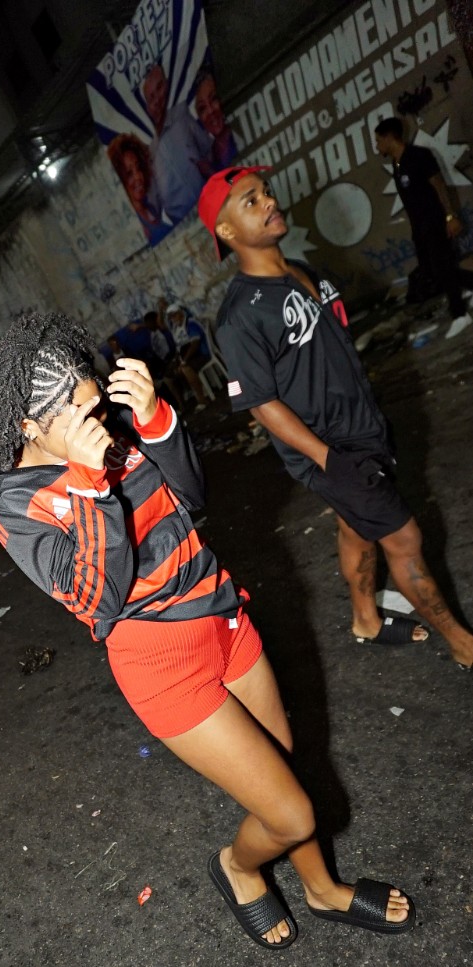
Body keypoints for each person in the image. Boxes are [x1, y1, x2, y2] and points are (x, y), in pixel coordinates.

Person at [0, 311, 414, 950]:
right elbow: (96, 596)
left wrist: (155, 420)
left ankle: (322, 889)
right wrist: (91, 485)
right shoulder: (11, 498)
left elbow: (192, 498)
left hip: (222, 615)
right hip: (163, 665)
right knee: (292, 814)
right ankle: (239, 867)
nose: (97, 423)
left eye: (98, 405)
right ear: (29, 426)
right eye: (79, 414)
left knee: (287, 768)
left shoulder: (110, 430)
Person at [197, 164, 473, 670]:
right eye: (251, 201)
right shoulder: (240, 315)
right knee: (404, 539)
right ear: (227, 231)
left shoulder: (306, 271)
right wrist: (330, 460)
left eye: (266, 192)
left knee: (357, 526)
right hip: (332, 450)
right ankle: (462, 644)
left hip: (362, 425)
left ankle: (365, 619)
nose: (269, 202)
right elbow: (261, 402)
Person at [374, 117, 473, 340]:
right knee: (433, 272)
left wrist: (450, 216)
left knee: (442, 268)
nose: (377, 146)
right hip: (419, 228)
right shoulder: (396, 164)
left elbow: (439, 186)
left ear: (390, 138)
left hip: (435, 221)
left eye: (379, 140)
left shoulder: (418, 156)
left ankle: (460, 315)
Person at [142, 64, 210, 224]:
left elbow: (207, 149)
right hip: (187, 225)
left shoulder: (181, 115)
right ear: (148, 108)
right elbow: (154, 207)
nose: (157, 100)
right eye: (151, 98)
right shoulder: (149, 154)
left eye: (159, 87)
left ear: (167, 84)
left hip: (211, 199)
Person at [107, 133, 172, 246]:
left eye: (138, 167)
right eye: (129, 173)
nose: (138, 176)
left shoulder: (151, 207)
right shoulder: (134, 225)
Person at [193, 68, 241, 173]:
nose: (210, 111)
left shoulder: (242, 132)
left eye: (214, 98)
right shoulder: (210, 157)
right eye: (202, 108)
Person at [165, 303, 211, 409]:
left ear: (180, 313)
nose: (173, 319)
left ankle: (202, 400)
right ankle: (182, 405)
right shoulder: (176, 328)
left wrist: (184, 361)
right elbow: (179, 347)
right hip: (186, 356)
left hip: (201, 354)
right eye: (171, 317)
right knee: (168, 376)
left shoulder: (190, 323)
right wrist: (176, 360)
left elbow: (195, 344)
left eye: (174, 315)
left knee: (186, 369)